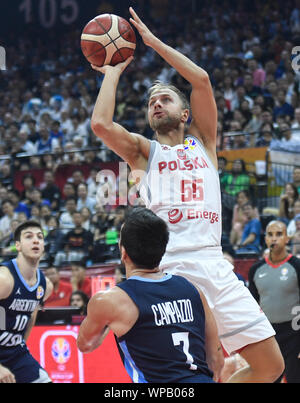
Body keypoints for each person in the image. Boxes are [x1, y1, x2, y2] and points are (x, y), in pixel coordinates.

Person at [90, 7, 284, 382]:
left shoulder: (205, 143)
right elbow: (100, 124)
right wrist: (112, 72)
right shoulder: (143, 152)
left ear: (184, 114)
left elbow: (202, 81)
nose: (156, 103)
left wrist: (153, 43)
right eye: (151, 103)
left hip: (214, 264)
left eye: (165, 99)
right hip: (172, 270)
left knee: (271, 366)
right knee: (188, 373)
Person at [77, 207, 223, 383]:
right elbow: (216, 361)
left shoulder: (110, 301)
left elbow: (85, 344)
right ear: (162, 249)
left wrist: (106, 319)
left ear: (123, 252)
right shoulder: (192, 289)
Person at [0, 220, 53, 383]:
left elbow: (30, 319)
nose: (36, 240)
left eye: (40, 237)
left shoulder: (45, 286)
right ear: (18, 245)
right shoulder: (4, 279)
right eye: (28, 237)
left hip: (16, 355)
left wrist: (20, 347)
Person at [248, 220, 300, 383]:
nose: (274, 239)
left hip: (294, 332)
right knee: (270, 378)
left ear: (287, 238)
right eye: (270, 235)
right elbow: (253, 305)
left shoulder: (297, 265)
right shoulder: (255, 269)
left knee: (294, 378)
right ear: (265, 239)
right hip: (268, 334)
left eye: (279, 234)